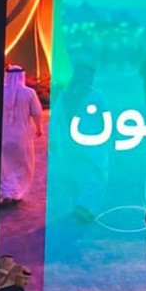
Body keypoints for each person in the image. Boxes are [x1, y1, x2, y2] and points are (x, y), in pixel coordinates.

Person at [50, 61, 109, 223]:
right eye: (90, 76)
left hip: (68, 142)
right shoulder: (96, 96)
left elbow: (55, 119)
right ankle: (84, 207)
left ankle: (81, 206)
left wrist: (54, 140)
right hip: (92, 142)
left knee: (78, 174)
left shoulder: (65, 95)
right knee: (98, 173)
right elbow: (106, 120)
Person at [0, 66, 43, 205]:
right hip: (22, 137)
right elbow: (37, 113)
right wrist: (39, 129)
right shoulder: (29, 93)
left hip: (3, 136)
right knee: (23, 165)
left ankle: (7, 193)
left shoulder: (0, 92)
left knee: (5, 167)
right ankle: (16, 193)